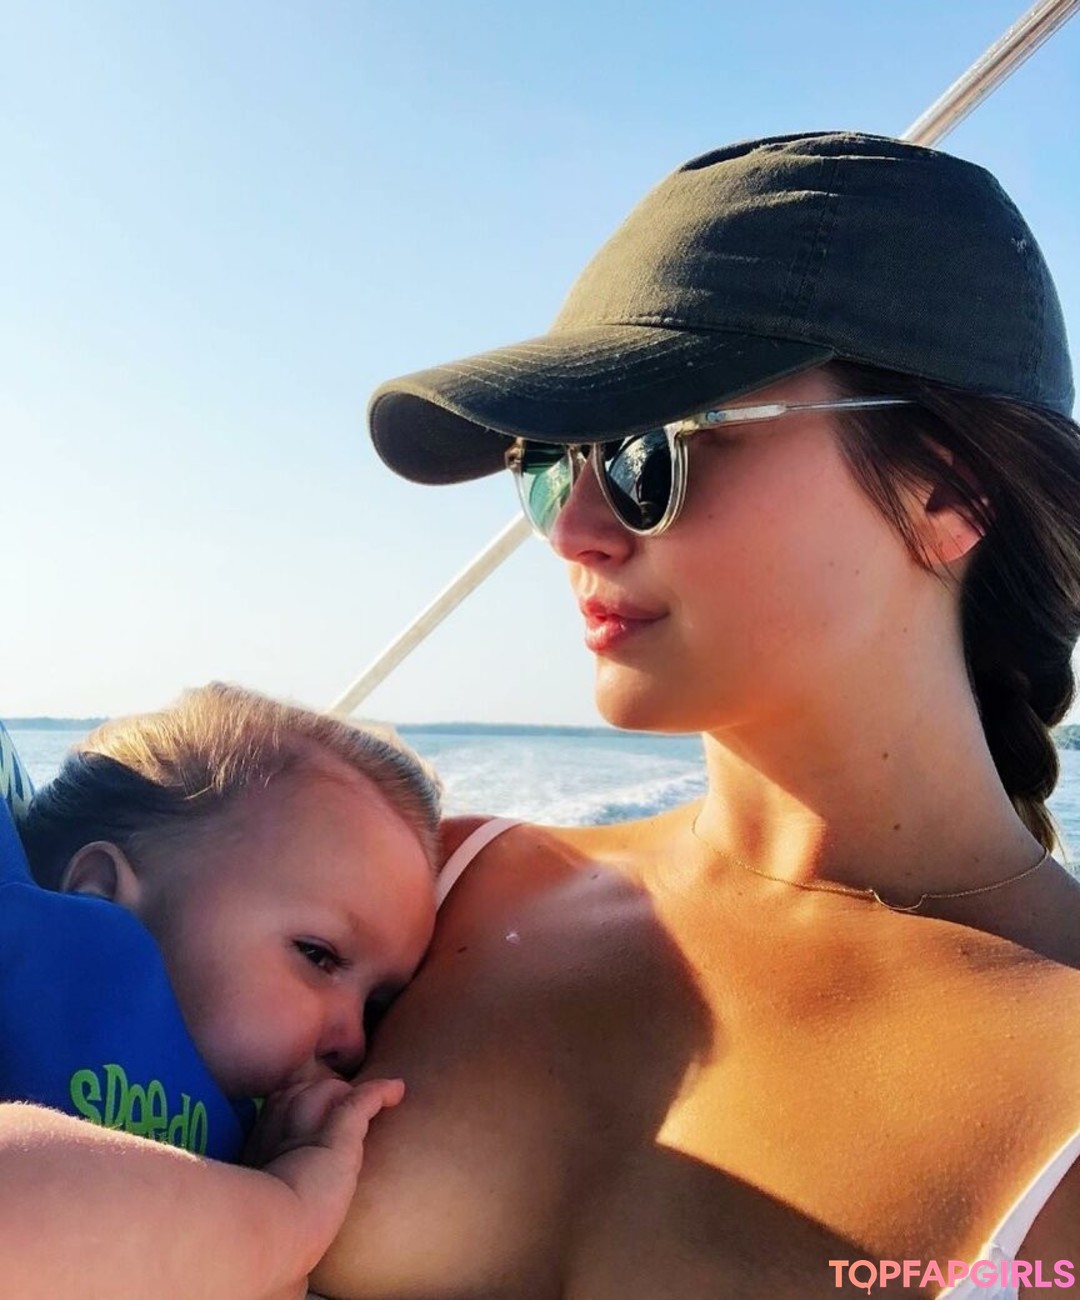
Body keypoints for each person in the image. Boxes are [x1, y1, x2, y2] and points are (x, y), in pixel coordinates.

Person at [310, 133, 1080, 1299]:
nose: (573, 532)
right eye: (546, 465)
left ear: (947, 492)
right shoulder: (420, 897)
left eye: (645, 453)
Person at [0, 682, 441, 1300]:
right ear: (97, 890)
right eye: (317, 955)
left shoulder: (259, 1126)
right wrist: (288, 1218)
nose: (356, 1042)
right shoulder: (30, 968)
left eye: (376, 1006)